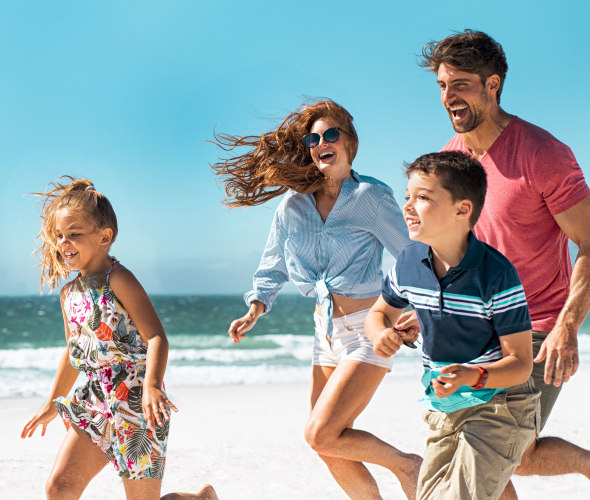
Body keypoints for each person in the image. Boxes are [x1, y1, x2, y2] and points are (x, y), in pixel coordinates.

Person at [212, 99, 422, 499]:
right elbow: (272, 266)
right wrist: (255, 307)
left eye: (331, 134)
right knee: (325, 444)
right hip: (323, 334)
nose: (322, 142)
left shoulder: (371, 196)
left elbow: (411, 256)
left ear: (349, 141)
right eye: (313, 138)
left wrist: (415, 310)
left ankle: (408, 465)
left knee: (321, 431)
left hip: (368, 329)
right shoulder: (291, 206)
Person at [414, 29, 590, 496]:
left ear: (493, 85)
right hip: (471, 331)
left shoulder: (542, 154)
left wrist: (567, 326)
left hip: (533, 330)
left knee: (498, 452)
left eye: (461, 84)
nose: (449, 96)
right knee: (508, 456)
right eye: (442, 86)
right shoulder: (450, 163)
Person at [21, 177, 218, 500]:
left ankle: (199, 499)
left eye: (74, 234)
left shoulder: (120, 279)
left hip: (136, 402)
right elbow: (73, 351)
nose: (64, 242)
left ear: (104, 236)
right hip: (93, 399)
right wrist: (51, 403)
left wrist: (153, 386)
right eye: (59, 236)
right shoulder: (68, 293)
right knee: (60, 488)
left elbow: (156, 337)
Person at [366, 151, 540, 499]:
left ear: (462, 210)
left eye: (424, 198)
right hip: (444, 404)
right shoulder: (408, 262)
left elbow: (520, 364)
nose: (408, 207)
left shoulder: (497, 274)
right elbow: (378, 313)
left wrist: (471, 376)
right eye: (408, 197)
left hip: (499, 405)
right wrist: (381, 333)